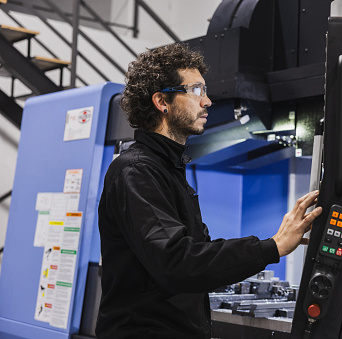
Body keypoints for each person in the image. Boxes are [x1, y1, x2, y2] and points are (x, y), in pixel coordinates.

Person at [96, 43, 322, 339]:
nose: (208, 102)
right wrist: (272, 246)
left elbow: (196, 257)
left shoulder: (168, 168)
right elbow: (177, 262)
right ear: (162, 101)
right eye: (197, 91)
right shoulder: (137, 171)